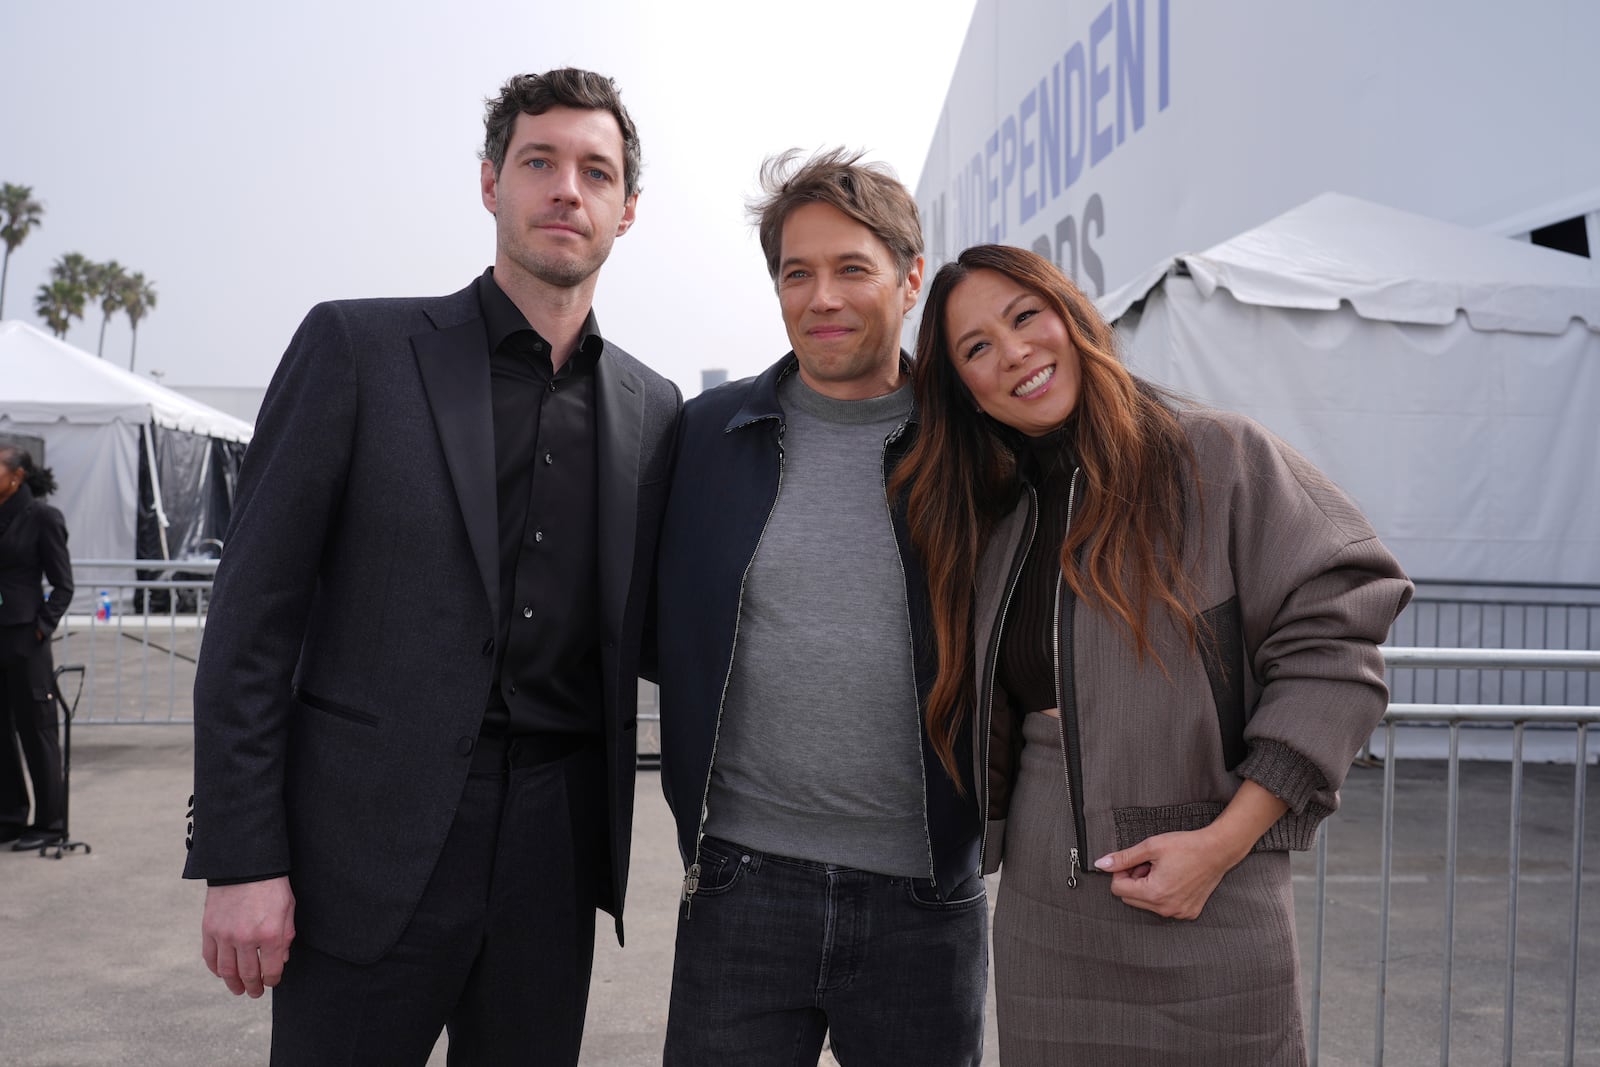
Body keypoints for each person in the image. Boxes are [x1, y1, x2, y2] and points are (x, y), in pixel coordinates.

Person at [182, 68, 680, 1065]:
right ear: (490, 181)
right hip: (361, 851)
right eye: (538, 161)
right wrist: (242, 857)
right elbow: (251, 617)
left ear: (628, 210)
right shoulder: (357, 348)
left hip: (555, 849)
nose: (565, 190)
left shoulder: (654, 407)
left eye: (595, 170)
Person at [892, 244, 1413, 1066]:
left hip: (1213, 902)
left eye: (1025, 317)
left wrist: (1224, 841)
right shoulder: (996, 524)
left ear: (1072, 314)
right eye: (977, 348)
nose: (1014, 353)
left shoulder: (1218, 458)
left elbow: (1339, 626)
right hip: (1046, 917)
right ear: (967, 393)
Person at [652, 149, 986, 1065]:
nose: (821, 297)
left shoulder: (977, 449)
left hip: (927, 896)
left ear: (911, 279)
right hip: (739, 885)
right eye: (797, 272)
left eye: (851, 269)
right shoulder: (706, 438)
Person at [0, 446, 72, 852]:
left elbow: (63, 585)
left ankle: (50, 822)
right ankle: (10, 817)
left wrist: (40, 630)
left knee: (37, 731)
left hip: (26, 642)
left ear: (17, 476)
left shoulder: (42, 517)